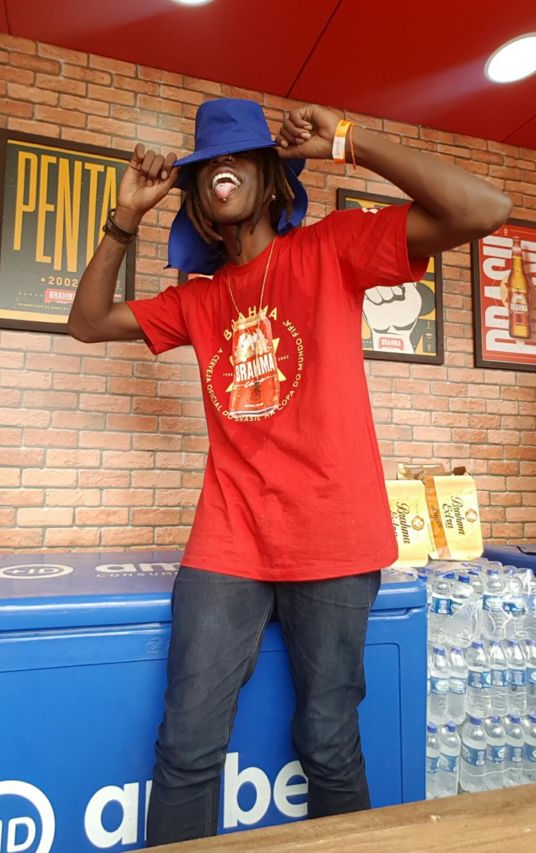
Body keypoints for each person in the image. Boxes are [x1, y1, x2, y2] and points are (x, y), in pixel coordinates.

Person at [68, 98, 512, 845]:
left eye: (238, 153)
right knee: (186, 744)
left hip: (334, 536)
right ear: (198, 200)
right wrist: (124, 219)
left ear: (271, 178)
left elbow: (486, 209)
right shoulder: (197, 300)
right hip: (229, 542)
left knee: (329, 740)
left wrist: (350, 140)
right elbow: (86, 322)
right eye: (206, 162)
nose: (220, 166)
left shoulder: (330, 249)